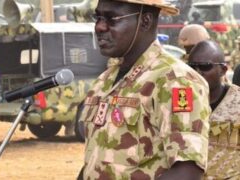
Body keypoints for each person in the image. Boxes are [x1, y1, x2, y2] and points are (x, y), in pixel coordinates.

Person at [78, 0, 211, 179]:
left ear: (145, 21)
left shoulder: (175, 80)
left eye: (112, 19)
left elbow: (187, 170)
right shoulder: (104, 82)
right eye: (98, 17)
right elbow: (95, 161)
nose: (100, 27)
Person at [188, 40, 240, 179]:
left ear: (223, 70)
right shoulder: (179, 101)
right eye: (192, 67)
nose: (197, 73)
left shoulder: (237, 100)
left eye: (205, 67)